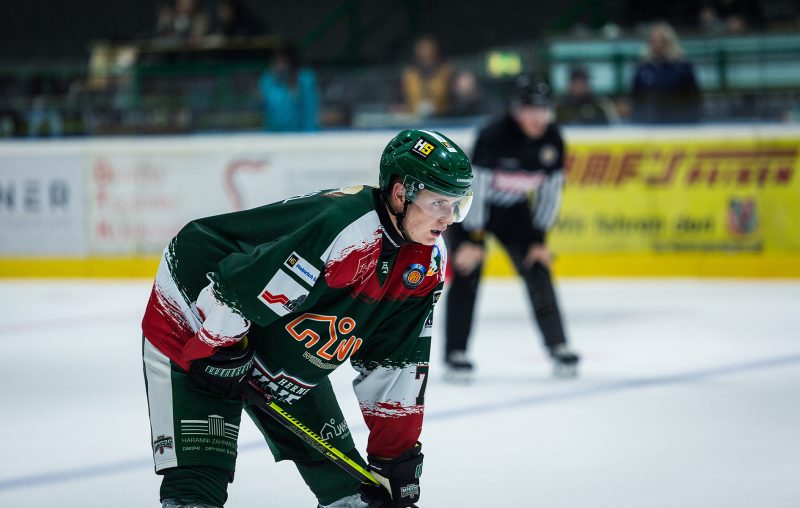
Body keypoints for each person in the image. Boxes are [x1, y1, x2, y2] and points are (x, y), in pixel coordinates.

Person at [141, 129, 474, 508]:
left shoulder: (427, 262)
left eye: (456, 205)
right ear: (401, 193)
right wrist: (216, 347)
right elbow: (243, 286)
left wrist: (394, 457)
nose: (449, 219)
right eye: (438, 204)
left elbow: (397, 361)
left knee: (356, 496)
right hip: (195, 313)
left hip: (282, 348)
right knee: (198, 487)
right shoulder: (347, 230)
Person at [443, 75, 579, 381]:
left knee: (537, 269)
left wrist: (538, 239)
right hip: (472, 209)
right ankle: (456, 352)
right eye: (531, 110)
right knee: (467, 272)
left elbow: (551, 191)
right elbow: (474, 189)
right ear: (516, 111)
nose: (538, 118)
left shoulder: (553, 139)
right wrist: (473, 239)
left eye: (544, 110)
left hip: (516, 210)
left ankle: (558, 345)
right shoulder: (493, 136)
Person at [630, 22, 702, 124]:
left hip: (679, 122)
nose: (657, 45)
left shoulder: (682, 66)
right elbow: (636, 96)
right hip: (650, 122)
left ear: (670, 42)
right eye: (653, 41)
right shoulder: (643, 66)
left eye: (662, 41)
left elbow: (694, 96)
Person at [258, 42, 319, 132]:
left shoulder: (305, 79)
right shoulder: (268, 80)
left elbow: (309, 110)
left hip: (299, 134)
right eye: (276, 60)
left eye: (282, 60)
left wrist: (310, 137)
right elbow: (263, 106)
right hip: (274, 134)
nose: (279, 64)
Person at [400, 35, 454, 118]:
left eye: (429, 49)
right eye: (422, 49)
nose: (425, 52)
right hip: (413, 118)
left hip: (442, 118)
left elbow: (453, 98)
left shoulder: (446, 72)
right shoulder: (408, 75)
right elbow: (399, 100)